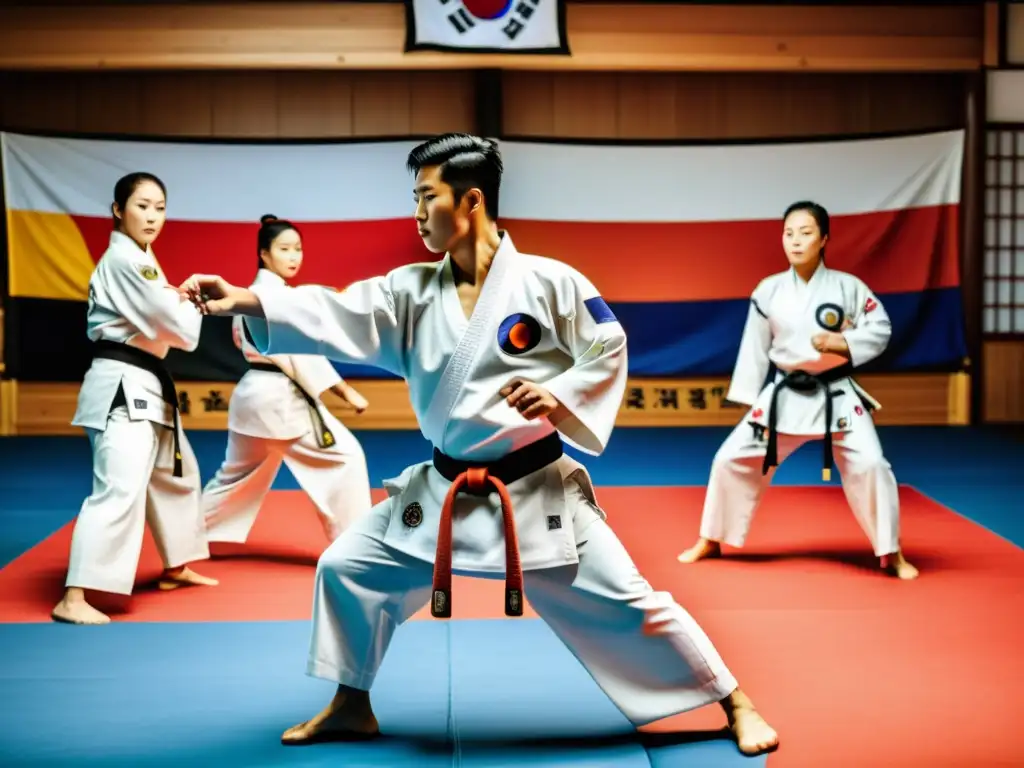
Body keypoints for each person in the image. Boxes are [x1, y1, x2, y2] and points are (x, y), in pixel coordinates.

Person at [181, 133, 779, 757]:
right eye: (414, 198)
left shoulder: (550, 281)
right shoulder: (408, 290)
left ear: (470, 201)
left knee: (629, 602)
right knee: (346, 568)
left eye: (426, 197)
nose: (415, 212)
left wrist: (563, 394)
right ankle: (351, 703)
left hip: (534, 492)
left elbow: (609, 342)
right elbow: (335, 311)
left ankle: (734, 699)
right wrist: (247, 299)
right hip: (444, 490)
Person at [677, 200, 918, 580]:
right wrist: (747, 398)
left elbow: (881, 327)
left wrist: (844, 343)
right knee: (729, 459)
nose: (795, 241)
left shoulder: (848, 287)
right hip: (784, 394)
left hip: (835, 393)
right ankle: (712, 538)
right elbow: (754, 348)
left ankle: (891, 551)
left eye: (805, 233)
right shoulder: (768, 290)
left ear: (823, 239)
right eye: (789, 233)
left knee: (872, 464)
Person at [52, 172, 217, 626]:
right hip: (122, 387)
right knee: (119, 490)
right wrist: (188, 302)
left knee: (174, 477)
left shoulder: (145, 263)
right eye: (142, 205)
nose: (152, 216)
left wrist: (176, 297)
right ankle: (73, 595)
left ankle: (175, 565)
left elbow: (164, 316)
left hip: (145, 383)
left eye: (160, 207)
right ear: (117, 210)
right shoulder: (128, 262)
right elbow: (181, 332)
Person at [201, 215, 373, 548]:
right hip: (279, 399)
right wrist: (345, 391)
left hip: (255, 395)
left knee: (233, 477)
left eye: (298, 249)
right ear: (264, 254)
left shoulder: (251, 294)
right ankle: (354, 544)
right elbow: (300, 356)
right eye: (284, 249)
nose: (294, 256)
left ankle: (184, 539)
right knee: (346, 458)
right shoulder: (270, 296)